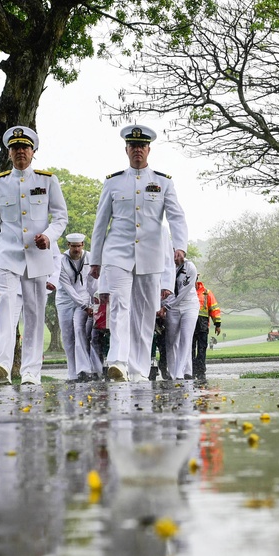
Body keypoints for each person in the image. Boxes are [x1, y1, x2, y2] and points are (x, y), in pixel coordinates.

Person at [89, 125, 189, 382]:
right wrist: (96, 260)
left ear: (148, 149)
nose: (137, 150)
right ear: (126, 149)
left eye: (141, 146)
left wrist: (180, 246)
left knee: (145, 315)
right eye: (132, 146)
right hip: (117, 254)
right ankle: (118, 362)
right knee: (120, 307)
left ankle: (139, 370)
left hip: (150, 255)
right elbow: (101, 223)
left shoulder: (162, 181)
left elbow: (176, 216)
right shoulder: (113, 181)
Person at [0, 125, 68, 385]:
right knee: (7, 310)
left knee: (34, 315)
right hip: (7, 256)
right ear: (9, 153)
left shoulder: (47, 180)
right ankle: (1, 365)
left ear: (33, 152)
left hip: (37, 257)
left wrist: (49, 236)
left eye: (25, 147)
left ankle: (31, 371)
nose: (20, 151)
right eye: (15, 148)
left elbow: (61, 217)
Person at [56, 233, 97, 381]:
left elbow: (92, 281)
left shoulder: (90, 257)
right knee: (68, 336)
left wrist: (94, 301)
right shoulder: (61, 261)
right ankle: (72, 373)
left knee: (80, 330)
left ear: (83, 246)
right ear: (68, 246)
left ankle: (84, 370)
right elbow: (67, 287)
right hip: (65, 300)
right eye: (73, 246)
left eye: (79, 246)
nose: (76, 249)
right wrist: (84, 305)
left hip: (84, 299)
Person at [160, 256, 200, 380]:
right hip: (172, 308)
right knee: (171, 341)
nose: (175, 258)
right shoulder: (164, 267)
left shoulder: (190, 267)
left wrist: (166, 306)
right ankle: (173, 372)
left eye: (178, 254)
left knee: (186, 338)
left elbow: (182, 292)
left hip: (189, 305)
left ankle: (180, 372)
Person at [192, 280, 221, 381]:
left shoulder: (206, 293)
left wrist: (217, 324)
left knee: (202, 347)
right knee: (190, 348)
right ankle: (191, 368)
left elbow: (214, 308)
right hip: (190, 323)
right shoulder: (186, 291)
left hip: (202, 325)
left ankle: (200, 369)